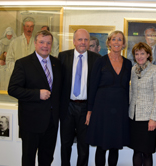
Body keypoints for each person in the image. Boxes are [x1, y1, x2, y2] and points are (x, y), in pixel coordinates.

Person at [8, 30, 62, 166]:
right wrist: (37, 94)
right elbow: (13, 89)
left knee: (47, 159)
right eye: (42, 42)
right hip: (31, 123)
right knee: (28, 159)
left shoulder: (57, 64)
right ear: (35, 43)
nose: (45, 45)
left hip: (51, 123)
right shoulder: (23, 63)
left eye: (48, 43)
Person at [86, 30, 132, 166]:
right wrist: (89, 110)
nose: (117, 42)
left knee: (115, 146)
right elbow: (92, 86)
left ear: (123, 44)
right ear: (109, 42)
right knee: (101, 146)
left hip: (120, 109)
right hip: (102, 109)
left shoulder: (128, 64)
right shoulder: (100, 61)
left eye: (119, 39)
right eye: (114, 39)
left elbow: (129, 88)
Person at [59, 29, 100, 166]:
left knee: (84, 145)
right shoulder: (63, 56)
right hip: (67, 106)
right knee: (65, 143)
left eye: (86, 40)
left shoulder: (96, 59)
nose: (83, 43)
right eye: (80, 39)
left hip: (85, 108)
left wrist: (92, 109)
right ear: (74, 41)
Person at [129, 42, 156, 166]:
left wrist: (154, 118)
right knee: (136, 151)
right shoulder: (133, 69)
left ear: (148, 54)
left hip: (148, 119)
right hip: (134, 117)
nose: (139, 56)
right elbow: (131, 92)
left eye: (142, 53)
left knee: (147, 152)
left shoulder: (155, 70)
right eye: (136, 54)